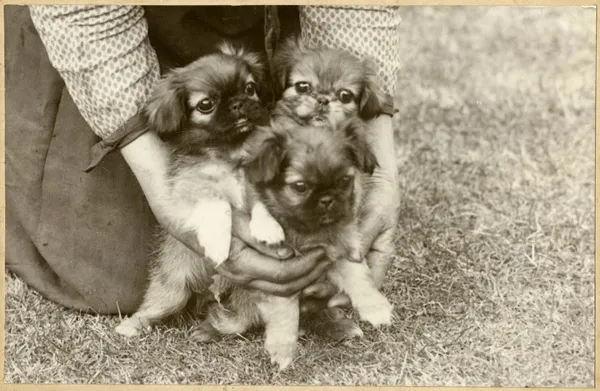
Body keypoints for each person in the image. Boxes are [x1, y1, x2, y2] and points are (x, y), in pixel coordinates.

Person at [5, 5, 401, 317]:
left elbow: (353, 19)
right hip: (108, 42)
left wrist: (379, 173)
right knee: (113, 277)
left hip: (261, 37)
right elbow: (82, 15)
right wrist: (167, 198)